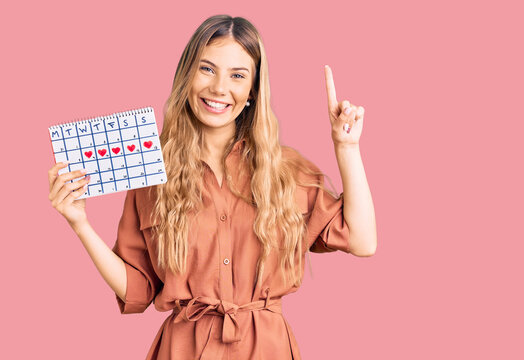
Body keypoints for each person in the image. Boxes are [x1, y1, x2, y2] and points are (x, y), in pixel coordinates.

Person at [47, 15, 376, 360]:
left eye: (237, 75)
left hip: (267, 350)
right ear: (186, 75)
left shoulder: (286, 171)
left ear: (252, 90)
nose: (220, 88)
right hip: (183, 350)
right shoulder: (151, 172)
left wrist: (347, 148)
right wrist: (79, 223)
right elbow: (138, 290)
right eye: (207, 69)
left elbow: (362, 240)